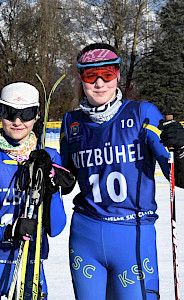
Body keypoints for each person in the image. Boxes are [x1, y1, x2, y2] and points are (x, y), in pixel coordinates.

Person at [60, 42, 184, 299]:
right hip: (86, 236)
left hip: (133, 233)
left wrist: (181, 149)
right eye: (90, 75)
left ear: (118, 74)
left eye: (108, 73)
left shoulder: (142, 113)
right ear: (81, 78)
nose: (100, 83)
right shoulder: (72, 123)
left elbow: (177, 176)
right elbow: (66, 182)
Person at [0, 82, 74, 299]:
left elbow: (56, 228)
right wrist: (9, 231)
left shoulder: (49, 158)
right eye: (9, 113)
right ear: (0, 112)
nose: (17, 121)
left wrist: (50, 189)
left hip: (29, 262)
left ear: (37, 115)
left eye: (26, 114)